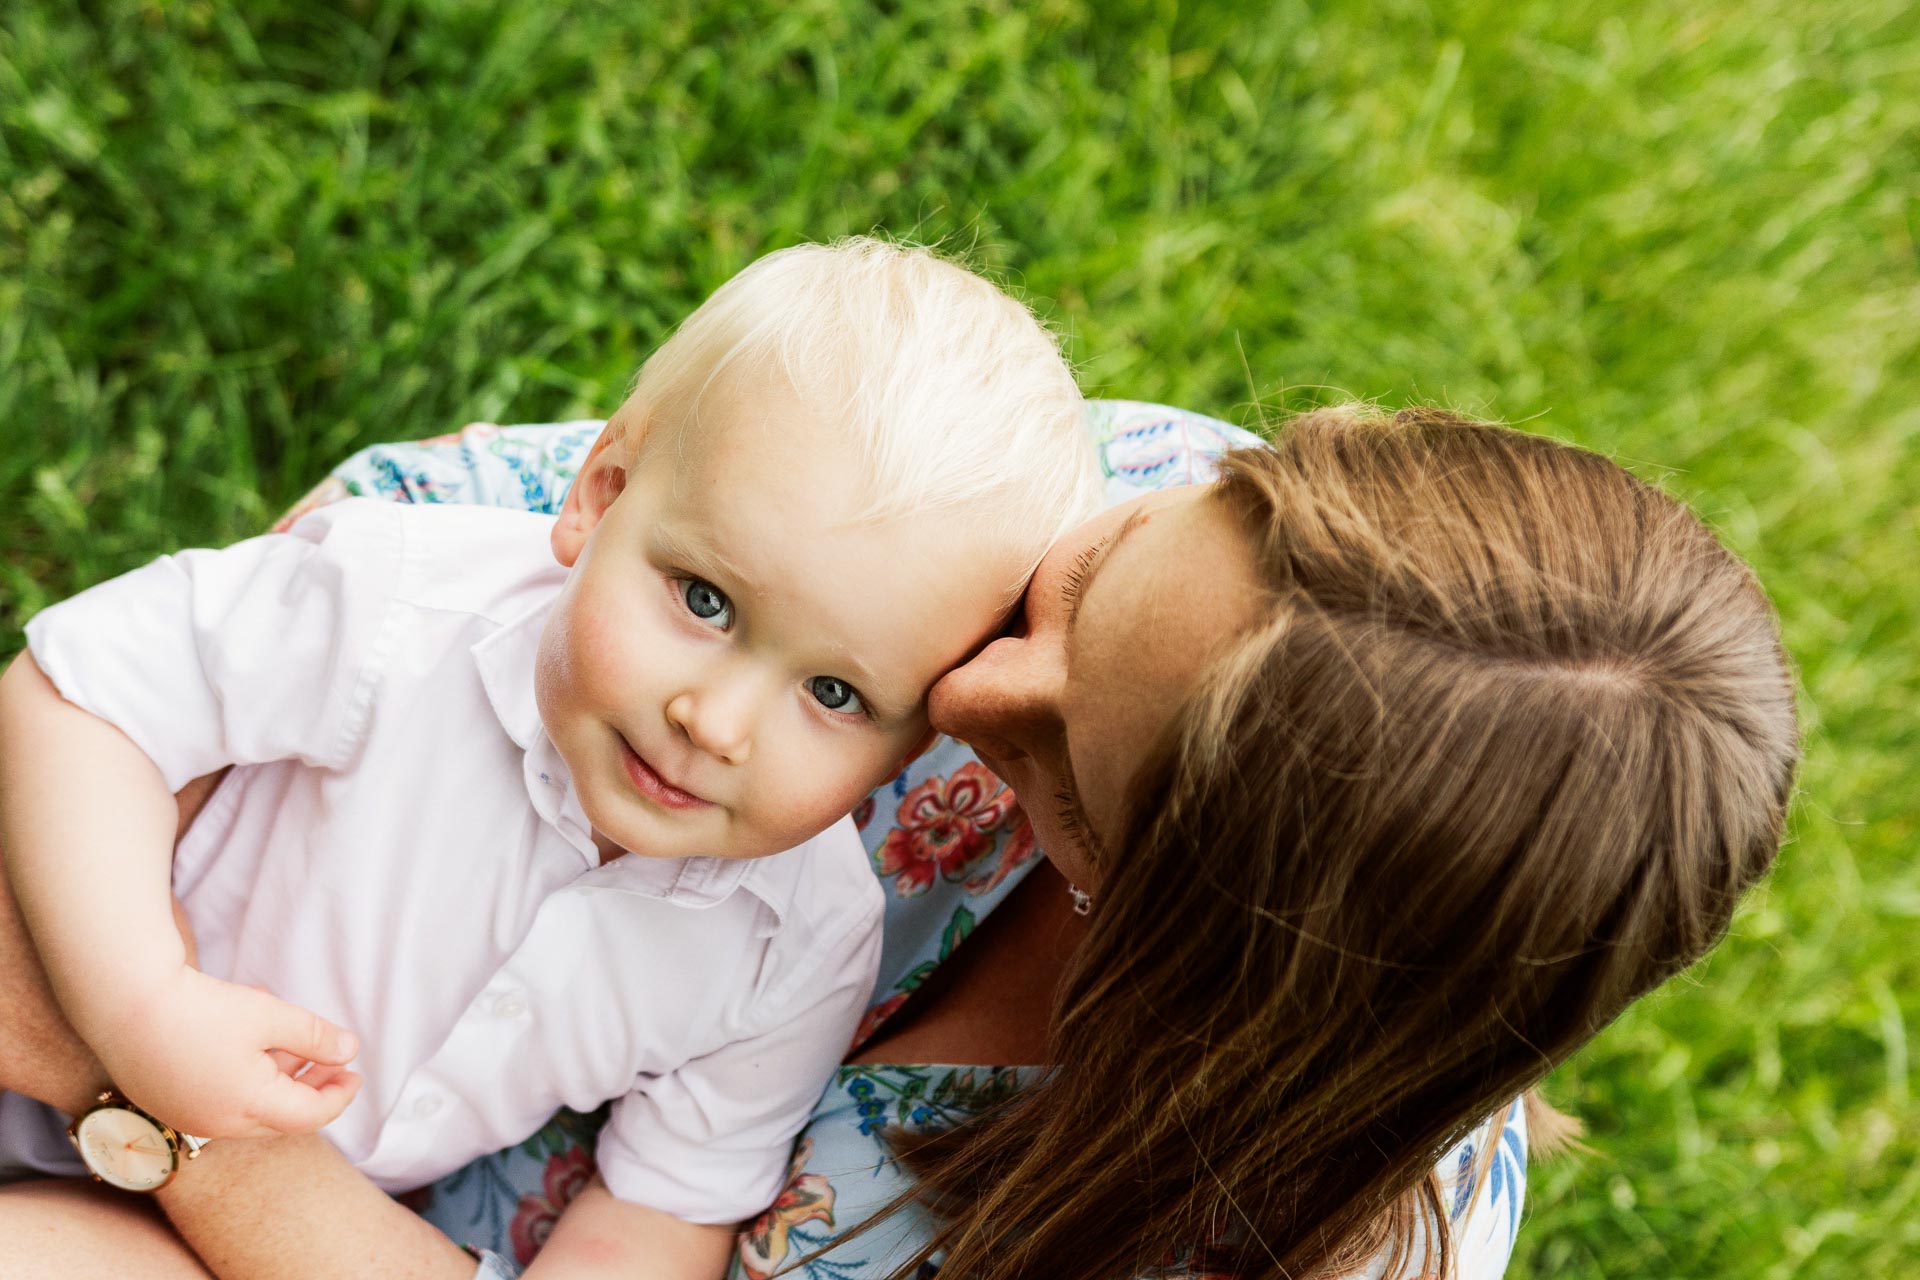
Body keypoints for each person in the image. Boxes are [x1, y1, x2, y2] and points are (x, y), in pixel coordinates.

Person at [0, 399, 1797, 1280]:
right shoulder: (1190, 517)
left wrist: (129, 1074)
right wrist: (122, 892)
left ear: (1207, 944)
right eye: (1077, 580)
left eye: (1072, 770)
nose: (975, 689)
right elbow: (412, 537)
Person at [0, 238, 1102, 1278]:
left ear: (921, 738)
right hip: (53, 973)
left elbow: (665, 1206)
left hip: (206, 1229)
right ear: (600, 494)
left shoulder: (798, 944)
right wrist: (143, 1001)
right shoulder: (401, 611)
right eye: (706, 599)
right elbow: (77, 699)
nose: (716, 722)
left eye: (834, 693)